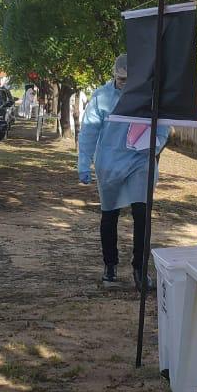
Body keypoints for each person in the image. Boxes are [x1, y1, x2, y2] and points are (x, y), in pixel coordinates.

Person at [77, 54, 169, 290]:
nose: (123, 84)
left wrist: (153, 145)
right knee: (109, 215)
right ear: (113, 76)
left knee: (142, 214)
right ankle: (110, 265)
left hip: (140, 162)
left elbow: (163, 127)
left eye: (128, 80)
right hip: (110, 163)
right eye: (120, 79)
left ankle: (140, 268)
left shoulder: (147, 96)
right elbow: (89, 130)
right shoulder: (102, 97)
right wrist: (84, 162)